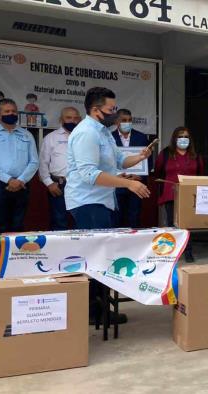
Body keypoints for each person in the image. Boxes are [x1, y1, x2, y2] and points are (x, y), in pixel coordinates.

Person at [65, 87, 152, 325]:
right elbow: (89, 174)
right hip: (87, 202)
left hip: (102, 201)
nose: (114, 113)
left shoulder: (103, 132)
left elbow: (120, 160)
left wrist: (141, 157)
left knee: (102, 257)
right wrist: (128, 184)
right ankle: (94, 311)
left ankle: (99, 307)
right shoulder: (86, 134)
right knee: (96, 258)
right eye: (111, 109)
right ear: (95, 110)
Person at [0, 98, 39, 259]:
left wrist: (20, 180)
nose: (11, 114)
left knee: (18, 225)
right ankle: (0, 262)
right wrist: (8, 180)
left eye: (13, 111)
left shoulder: (26, 135)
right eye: (6, 111)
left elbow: (34, 161)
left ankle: (16, 261)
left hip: (22, 185)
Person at [155, 126, 204, 263]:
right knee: (172, 224)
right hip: (170, 195)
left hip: (190, 195)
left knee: (188, 224)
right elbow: (158, 171)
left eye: (186, 136)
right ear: (175, 138)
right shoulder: (165, 153)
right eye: (180, 136)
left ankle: (188, 251)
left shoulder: (196, 155)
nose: (183, 139)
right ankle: (173, 253)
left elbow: (200, 173)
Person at [38, 106, 82, 230]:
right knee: (59, 222)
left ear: (80, 120)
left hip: (81, 185)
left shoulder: (85, 137)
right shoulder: (51, 138)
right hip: (58, 185)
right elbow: (43, 163)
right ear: (61, 120)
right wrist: (49, 183)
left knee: (79, 222)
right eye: (68, 118)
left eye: (75, 118)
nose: (72, 121)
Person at [112, 109, 151, 228]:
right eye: (124, 120)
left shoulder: (141, 137)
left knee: (134, 219)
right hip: (116, 186)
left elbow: (148, 160)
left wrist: (140, 175)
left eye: (129, 120)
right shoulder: (109, 137)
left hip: (136, 185)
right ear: (116, 122)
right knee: (116, 219)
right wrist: (114, 176)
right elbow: (107, 160)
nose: (127, 123)